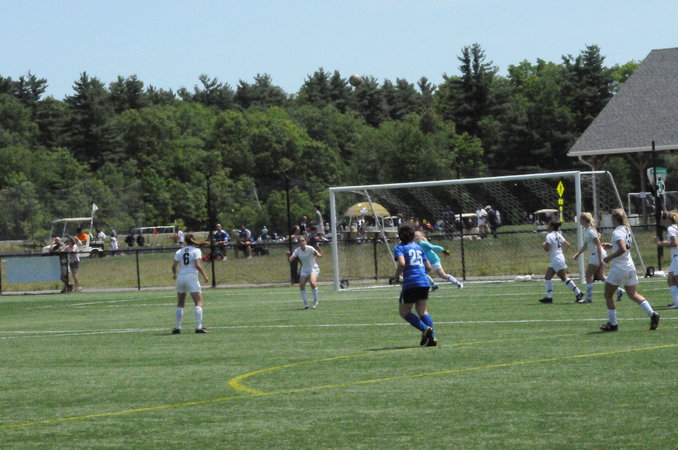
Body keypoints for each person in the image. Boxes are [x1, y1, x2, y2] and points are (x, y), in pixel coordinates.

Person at [600, 208, 660, 331]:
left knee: (608, 295)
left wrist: (608, 258)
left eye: (612, 218)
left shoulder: (617, 232)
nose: (611, 220)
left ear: (615, 219)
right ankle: (653, 314)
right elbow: (626, 246)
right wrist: (612, 246)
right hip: (630, 266)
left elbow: (622, 249)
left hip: (619, 268)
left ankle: (613, 324)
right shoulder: (626, 229)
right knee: (633, 294)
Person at [393, 221, 437, 347]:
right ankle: (432, 338)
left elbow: (402, 263)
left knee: (404, 311)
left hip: (411, 283)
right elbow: (428, 267)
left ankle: (425, 329)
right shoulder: (418, 247)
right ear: (412, 235)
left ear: (400, 235)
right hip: (424, 282)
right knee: (423, 311)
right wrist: (420, 272)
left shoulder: (400, 247)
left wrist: (396, 277)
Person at [572, 212, 624, 304]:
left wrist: (600, 259)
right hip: (597, 254)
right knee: (601, 276)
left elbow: (599, 245)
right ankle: (619, 290)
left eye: (580, 219)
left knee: (588, 275)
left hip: (597, 254)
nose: (579, 220)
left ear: (584, 220)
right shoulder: (586, 230)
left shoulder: (591, 231)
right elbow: (586, 245)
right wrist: (578, 253)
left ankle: (589, 298)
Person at [171, 233, 210, 334]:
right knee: (198, 302)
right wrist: (205, 276)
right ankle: (198, 327)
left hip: (181, 277)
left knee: (180, 303)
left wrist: (174, 274)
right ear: (193, 240)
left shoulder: (179, 251)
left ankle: (178, 327)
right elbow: (197, 265)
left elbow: (174, 266)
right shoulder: (196, 250)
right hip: (191, 277)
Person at [539, 221, 584, 304]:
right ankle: (578, 292)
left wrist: (543, 245)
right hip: (560, 257)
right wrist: (562, 253)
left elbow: (547, 249)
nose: (548, 227)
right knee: (563, 277)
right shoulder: (558, 234)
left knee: (548, 277)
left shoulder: (549, 235)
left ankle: (549, 297)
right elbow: (567, 244)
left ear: (552, 226)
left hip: (556, 259)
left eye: (549, 225)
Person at [286, 235, 322, 309]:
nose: (302, 242)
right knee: (301, 284)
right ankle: (306, 304)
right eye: (300, 241)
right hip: (304, 269)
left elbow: (319, 255)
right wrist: (287, 255)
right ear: (298, 243)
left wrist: (317, 250)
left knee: (312, 283)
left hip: (313, 268)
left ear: (306, 241)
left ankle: (315, 302)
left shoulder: (310, 248)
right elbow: (290, 260)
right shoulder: (297, 250)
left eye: (303, 241)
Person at [656, 211, 678, 309]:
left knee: (672, 280)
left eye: (662, 218)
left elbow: (674, 244)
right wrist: (665, 243)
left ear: (667, 219)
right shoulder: (675, 227)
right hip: (675, 257)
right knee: (671, 280)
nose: (661, 220)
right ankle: (676, 301)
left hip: (677, 257)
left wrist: (660, 243)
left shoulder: (670, 229)